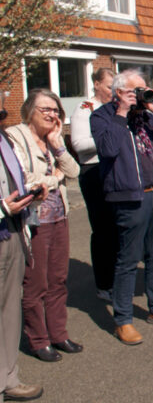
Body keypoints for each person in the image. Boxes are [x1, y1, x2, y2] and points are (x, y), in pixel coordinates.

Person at [91, 70, 153, 345]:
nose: (140, 95)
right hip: (129, 198)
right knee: (128, 259)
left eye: (143, 89)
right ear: (119, 91)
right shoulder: (103, 116)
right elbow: (107, 149)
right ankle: (123, 320)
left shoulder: (146, 115)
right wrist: (121, 111)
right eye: (135, 90)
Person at [6, 90, 81, 362]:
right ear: (29, 111)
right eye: (45, 109)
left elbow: (74, 172)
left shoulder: (52, 139)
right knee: (36, 284)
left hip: (59, 217)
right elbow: (23, 179)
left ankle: (59, 334)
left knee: (58, 280)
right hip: (34, 221)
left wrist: (58, 144)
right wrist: (54, 178)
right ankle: (38, 339)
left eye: (56, 110)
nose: (52, 114)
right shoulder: (16, 136)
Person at [0, 93, 46, 401]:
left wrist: (32, 192)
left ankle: (7, 376)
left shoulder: (4, 138)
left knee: (8, 310)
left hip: (12, 232)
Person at [70, 67, 118, 302]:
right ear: (97, 84)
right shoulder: (85, 109)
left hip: (113, 170)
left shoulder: (116, 107)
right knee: (102, 229)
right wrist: (108, 138)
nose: (113, 91)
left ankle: (116, 277)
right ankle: (103, 284)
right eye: (110, 86)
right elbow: (78, 144)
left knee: (116, 227)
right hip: (94, 172)